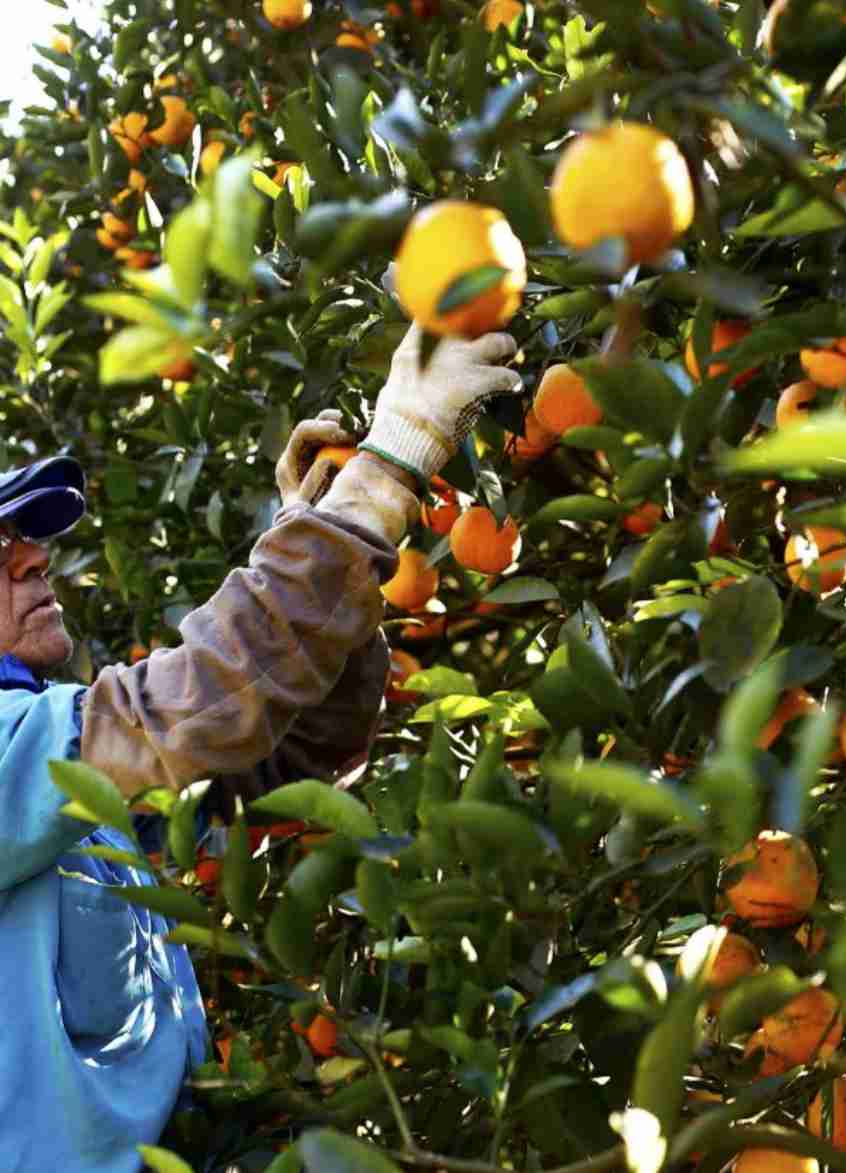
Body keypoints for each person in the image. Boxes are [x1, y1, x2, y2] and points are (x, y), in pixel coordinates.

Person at [0, 324, 522, 1173]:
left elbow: (293, 747)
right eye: (1, 547)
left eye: (33, 537)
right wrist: (387, 468)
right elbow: (194, 698)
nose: (34, 560)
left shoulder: (53, 764)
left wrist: (313, 532)